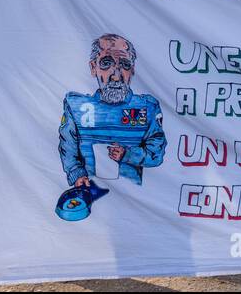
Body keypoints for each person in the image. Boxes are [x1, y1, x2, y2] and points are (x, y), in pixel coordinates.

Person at [58, 34, 166, 194]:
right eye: (106, 64)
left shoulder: (147, 107)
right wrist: (76, 173)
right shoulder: (76, 106)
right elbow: (68, 144)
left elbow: (156, 154)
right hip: (91, 198)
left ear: (133, 70)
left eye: (125, 65)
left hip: (135, 201)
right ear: (93, 67)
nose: (116, 75)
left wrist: (127, 154)